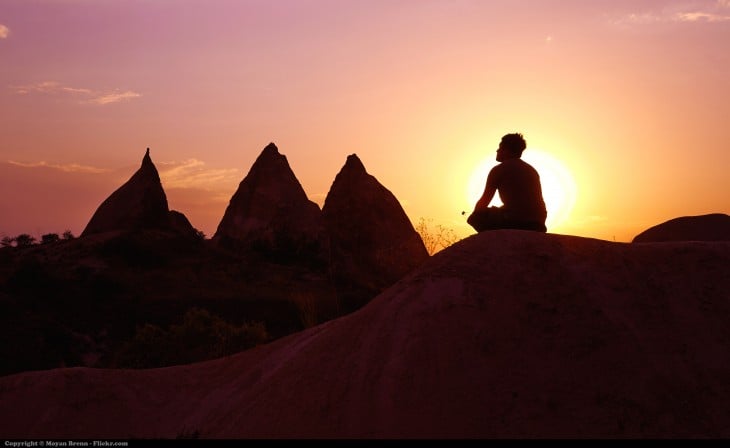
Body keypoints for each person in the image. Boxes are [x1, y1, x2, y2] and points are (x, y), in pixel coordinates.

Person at [466, 133, 547, 233]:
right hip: (538, 224)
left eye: (500, 147)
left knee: (476, 217)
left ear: (506, 150)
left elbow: (484, 201)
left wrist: (474, 215)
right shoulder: (531, 170)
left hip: (516, 222)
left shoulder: (498, 170)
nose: (497, 150)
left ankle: (494, 243)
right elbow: (522, 203)